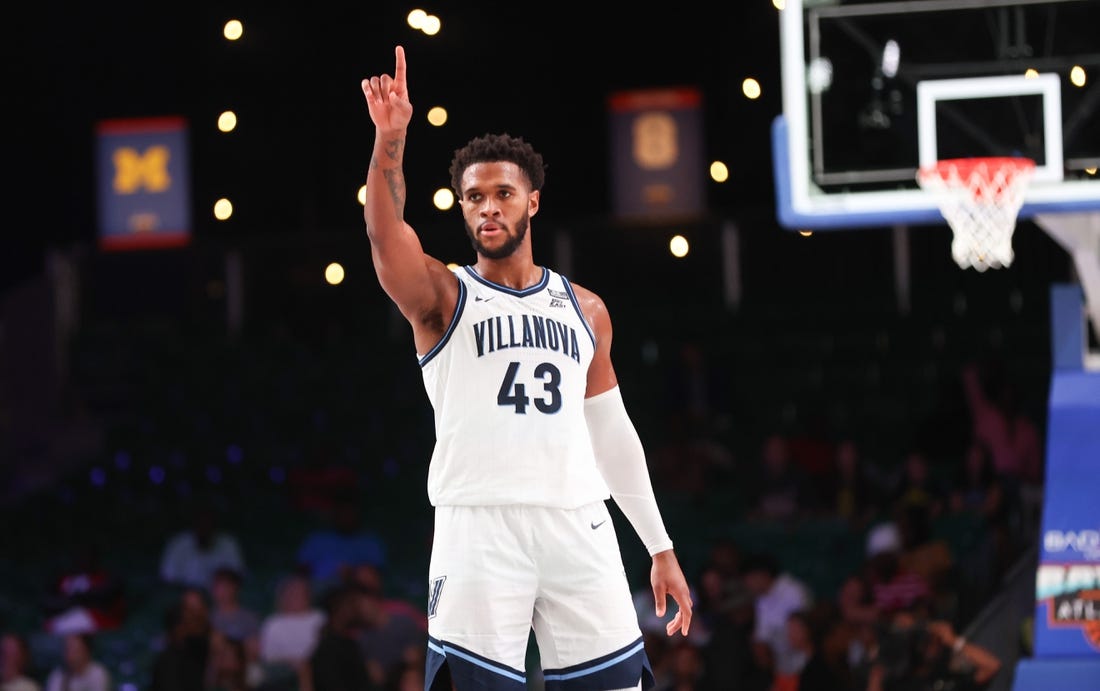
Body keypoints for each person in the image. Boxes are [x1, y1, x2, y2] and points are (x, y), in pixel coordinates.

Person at [360, 45, 693, 691]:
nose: (488, 207)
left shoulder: (586, 309)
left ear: (532, 202)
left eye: (503, 193)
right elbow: (383, 231)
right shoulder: (442, 296)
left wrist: (659, 544)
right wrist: (390, 140)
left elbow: (613, 433)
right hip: (479, 525)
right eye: (474, 196)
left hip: (579, 520)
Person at [44, 633, 112, 691]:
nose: (70, 655)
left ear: (86, 651)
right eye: (67, 649)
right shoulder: (58, 675)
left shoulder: (98, 674)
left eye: (75, 651)